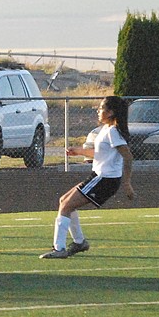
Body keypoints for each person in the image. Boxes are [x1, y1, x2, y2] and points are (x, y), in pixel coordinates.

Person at [40, 95, 135, 259]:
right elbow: (100, 153)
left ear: (111, 112)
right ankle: (79, 242)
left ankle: (59, 249)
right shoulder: (106, 129)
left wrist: (127, 184)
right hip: (98, 176)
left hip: (106, 180)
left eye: (101, 108)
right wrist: (79, 151)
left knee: (66, 206)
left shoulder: (113, 131)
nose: (98, 111)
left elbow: (128, 156)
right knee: (64, 201)